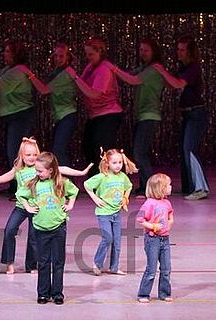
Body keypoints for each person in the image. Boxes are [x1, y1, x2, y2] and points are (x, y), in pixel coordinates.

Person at [0, 137, 90, 274]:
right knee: (9, 231)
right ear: (21, 156)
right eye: (28, 155)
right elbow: (1, 179)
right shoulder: (18, 170)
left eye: (34, 155)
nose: (31, 158)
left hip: (37, 208)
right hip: (22, 207)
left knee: (34, 237)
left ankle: (31, 265)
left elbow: (62, 169)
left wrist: (81, 172)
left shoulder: (41, 168)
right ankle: (9, 263)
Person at [0, 40, 48, 196]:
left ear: (16, 54)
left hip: (20, 115)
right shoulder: (9, 69)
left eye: (8, 51)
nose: (5, 53)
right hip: (11, 115)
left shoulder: (18, 71)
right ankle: (15, 185)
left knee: (15, 151)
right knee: (13, 152)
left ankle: (22, 188)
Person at [18, 152, 79, 305]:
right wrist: (28, 207)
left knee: (58, 262)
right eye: (36, 170)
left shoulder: (61, 182)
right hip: (40, 228)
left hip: (58, 227)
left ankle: (57, 293)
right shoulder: (34, 184)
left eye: (40, 171)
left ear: (50, 170)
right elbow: (20, 195)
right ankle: (43, 293)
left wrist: (70, 204)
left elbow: (74, 191)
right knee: (43, 262)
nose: (37, 173)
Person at [153, 36, 209, 200]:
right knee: (184, 150)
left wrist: (162, 71)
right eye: (178, 49)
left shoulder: (193, 68)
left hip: (197, 113)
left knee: (189, 149)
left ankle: (201, 187)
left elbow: (178, 84)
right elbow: (172, 84)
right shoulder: (183, 68)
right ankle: (189, 187)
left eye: (182, 49)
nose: (179, 52)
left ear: (190, 52)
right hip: (188, 113)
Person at [108, 38, 165, 197]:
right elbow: (130, 75)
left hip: (149, 114)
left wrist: (113, 68)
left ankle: (150, 189)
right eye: (141, 50)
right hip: (142, 114)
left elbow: (133, 80)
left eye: (146, 50)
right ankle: (145, 186)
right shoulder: (145, 67)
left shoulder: (155, 68)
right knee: (140, 152)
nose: (143, 53)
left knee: (139, 152)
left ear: (154, 51)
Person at [65, 37, 123, 177]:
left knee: (101, 149)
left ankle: (108, 180)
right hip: (96, 114)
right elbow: (83, 86)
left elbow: (94, 93)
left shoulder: (104, 69)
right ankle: (95, 180)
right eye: (87, 54)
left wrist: (75, 78)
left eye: (91, 54)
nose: (88, 57)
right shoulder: (91, 67)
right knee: (88, 146)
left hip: (108, 114)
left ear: (100, 52)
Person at [84, 149, 137, 276]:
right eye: (114, 162)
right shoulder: (103, 176)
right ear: (107, 163)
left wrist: (125, 198)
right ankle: (97, 263)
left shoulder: (123, 177)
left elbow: (128, 186)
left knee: (117, 241)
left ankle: (114, 267)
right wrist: (95, 198)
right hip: (104, 213)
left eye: (119, 162)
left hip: (116, 213)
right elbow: (87, 185)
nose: (118, 165)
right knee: (108, 238)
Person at [136, 173, 174, 303]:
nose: (171, 187)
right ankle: (143, 294)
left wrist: (169, 224)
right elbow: (140, 219)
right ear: (160, 188)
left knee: (166, 268)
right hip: (153, 240)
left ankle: (164, 293)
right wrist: (152, 226)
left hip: (165, 239)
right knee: (151, 269)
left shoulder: (167, 203)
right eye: (168, 185)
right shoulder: (149, 204)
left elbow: (170, 215)